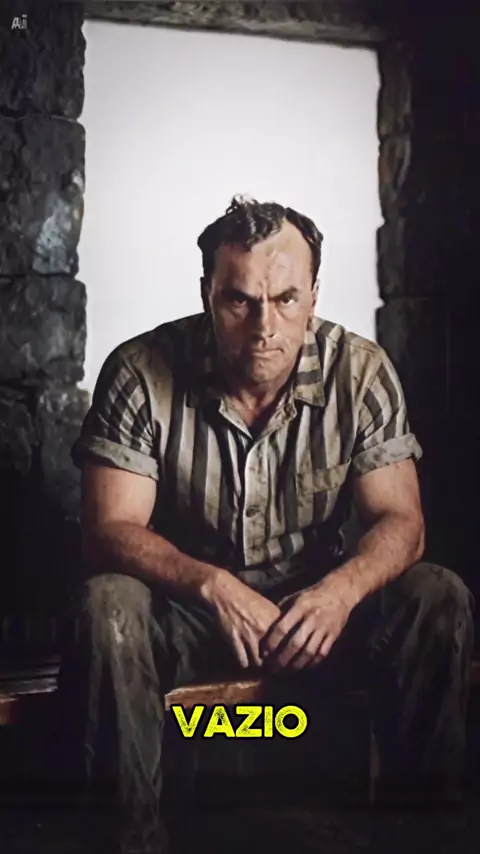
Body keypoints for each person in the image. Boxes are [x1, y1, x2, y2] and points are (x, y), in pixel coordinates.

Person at [60, 196, 474, 853]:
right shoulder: (140, 371)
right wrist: (214, 586)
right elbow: (107, 529)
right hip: (189, 614)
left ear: (313, 295)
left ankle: (426, 839)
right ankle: (128, 842)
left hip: (317, 612)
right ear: (207, 293)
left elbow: (403, 521)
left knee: (437, 595)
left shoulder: (360, 371)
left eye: (285, 299)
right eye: (240, 300)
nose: (264, 326)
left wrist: (338, 594)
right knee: (106, 605)